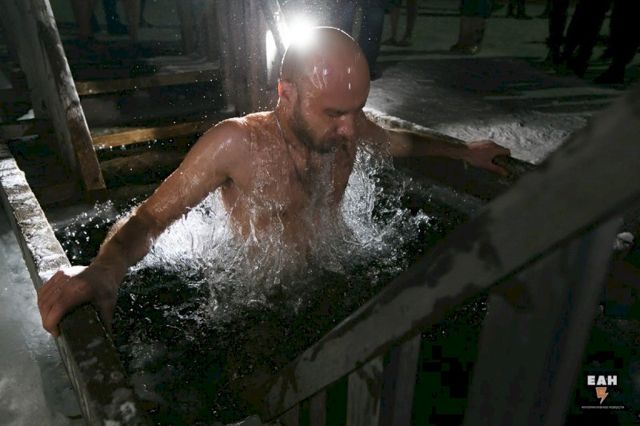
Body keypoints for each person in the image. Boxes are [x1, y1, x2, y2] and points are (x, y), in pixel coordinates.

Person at [37, 27, 510, 337]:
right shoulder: (236, 144)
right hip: (254, 305)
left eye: (357, 111)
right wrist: (105, 270)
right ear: (286, 93)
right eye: (335, 113)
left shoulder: (348, 129)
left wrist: (462, 151)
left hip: (332, 281)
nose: (350, 130)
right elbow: (149, 219)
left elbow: (399, 142)